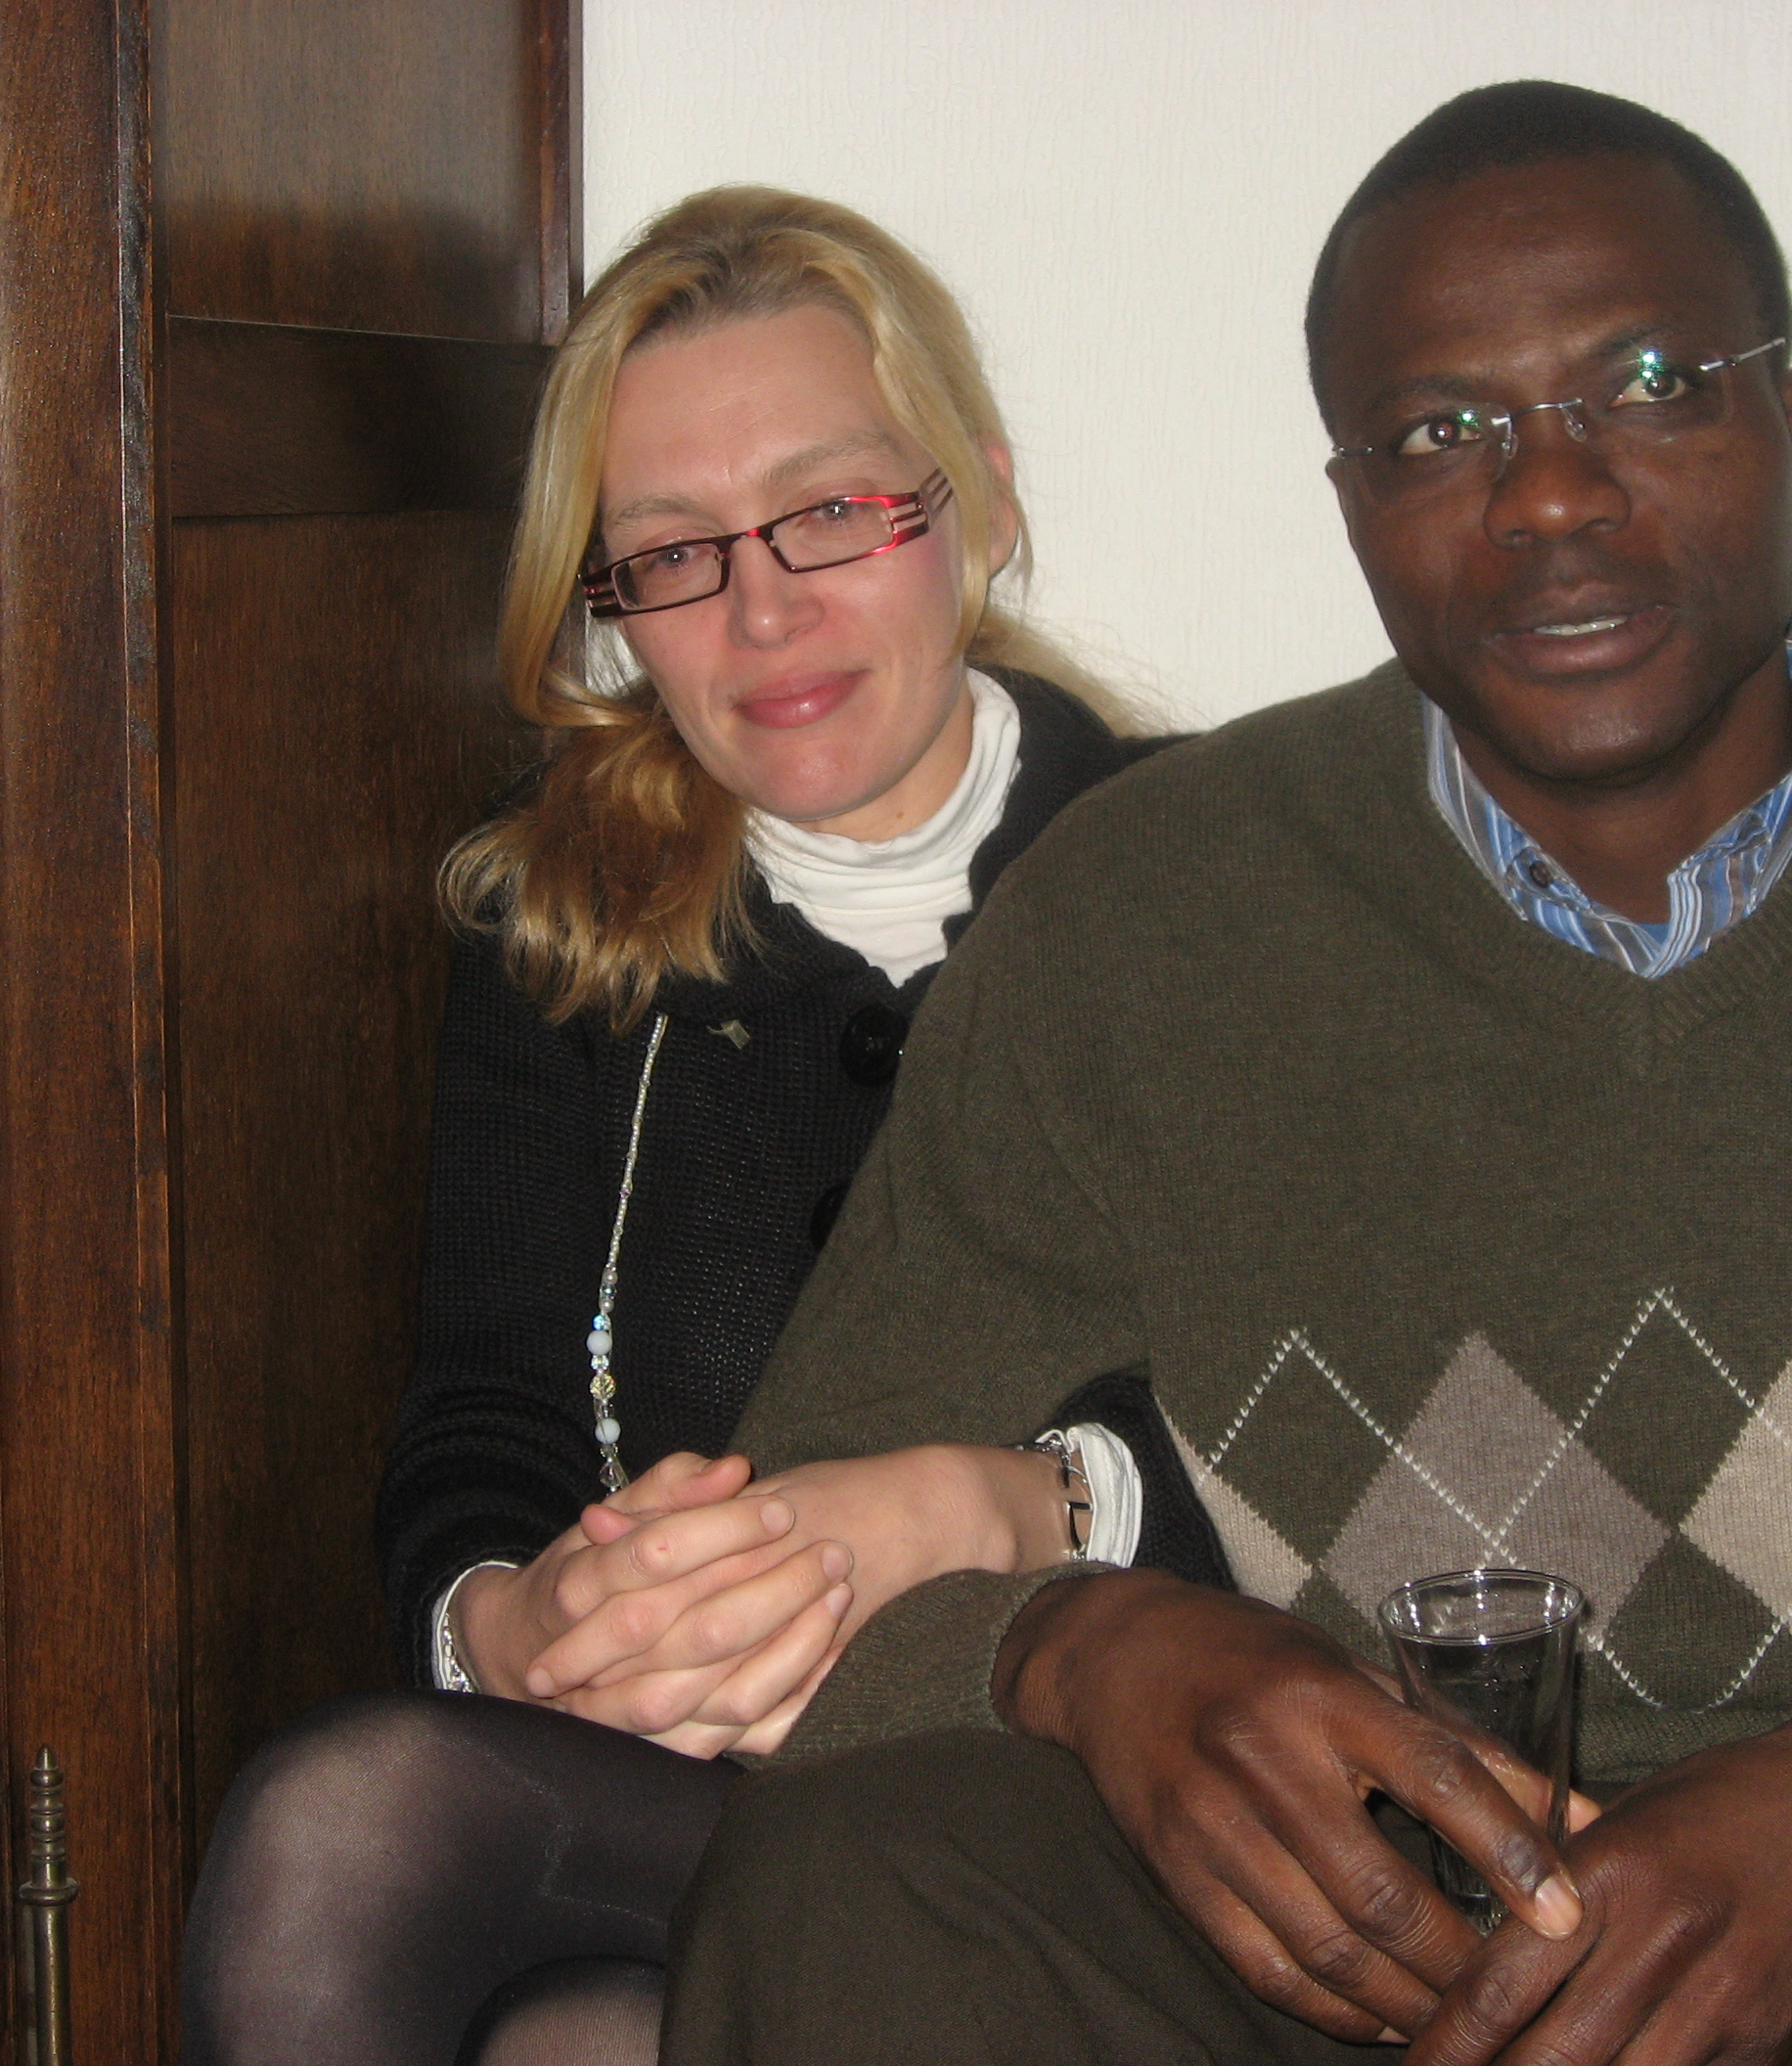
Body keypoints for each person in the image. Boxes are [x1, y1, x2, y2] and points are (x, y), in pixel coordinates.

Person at [657, 83, 1792, 2066]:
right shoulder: (1134, 920)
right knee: (854, 1876)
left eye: (1647, 387)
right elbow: (799, 1562)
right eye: (1440, 434)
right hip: (1361, 1957)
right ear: (1352, 508)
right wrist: (1081, 1646)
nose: (1548, 496)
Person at [179, 187, 1225, 2066]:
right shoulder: (559, 925)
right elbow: (484, 1412)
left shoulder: (1206, 876)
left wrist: (990, 1505)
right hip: (697, 1793)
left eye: (833, 510)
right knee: (407, 1885)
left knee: (557, 2012)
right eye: (670, 552)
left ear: (978, 506)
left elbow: (1332, 1410)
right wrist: (519, 1620)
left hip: (1105, 1792)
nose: (762, 610)